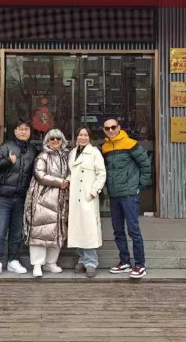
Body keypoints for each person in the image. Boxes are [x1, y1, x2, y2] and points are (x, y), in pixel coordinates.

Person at [0, 119, 39, 277]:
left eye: (26, 129)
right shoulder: (6, 147)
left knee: (17, 232)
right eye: (20, 129)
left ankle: (13, 261)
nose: (23, 131)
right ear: (15, 131)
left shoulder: (33, 150)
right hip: (3, 197)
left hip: (22, 197)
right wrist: (8, 161)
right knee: (0, 231)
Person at [101, 117, 152, 279]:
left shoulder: (130, 144)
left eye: (113, 127)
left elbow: (145, 165)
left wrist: (140, 186)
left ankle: (140, 264)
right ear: (104, 130)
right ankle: (124, 262)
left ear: (119, 127)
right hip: (114, 195)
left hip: (129, 194)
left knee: (133, 230)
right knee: (118, 230)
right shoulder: (105, 148)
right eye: (107, 128)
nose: (111, 130)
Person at [24, 128, 69, 278]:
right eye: (52, 139)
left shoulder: (66, 156)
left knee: (57, 231)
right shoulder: (42, 156)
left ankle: (51, 263)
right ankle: (37, 264)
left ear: (62, 141)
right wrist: (60, 182)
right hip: (43, 198)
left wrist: (67, 180)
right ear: (47, 141)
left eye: (58, 139)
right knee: (40, 231)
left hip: (61, 199)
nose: (55, 141)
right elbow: (40, 175)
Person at [67, 127, 106, 279]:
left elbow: (101, 174)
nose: (82, 137)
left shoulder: (95, 153)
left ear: (90, 137)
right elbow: (71, 173)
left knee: (88, 229)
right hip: (74, 196)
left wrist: (94, 191)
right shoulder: (72, 153)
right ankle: (82, 259)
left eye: (85, 135)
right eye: (80, 135)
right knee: (77, 229)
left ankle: (91, 262)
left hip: (87, 196)